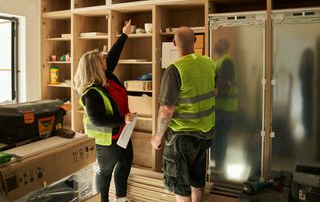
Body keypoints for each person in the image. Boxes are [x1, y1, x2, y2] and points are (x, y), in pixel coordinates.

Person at [151, 26, 216, 202]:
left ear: (173, 43)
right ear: (195, 41)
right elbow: (213, 91)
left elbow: (166, 110)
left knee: (181, 187)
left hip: (180, 139)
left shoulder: (175, 69)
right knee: (196, 183)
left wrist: (158, 136)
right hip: (203, 135)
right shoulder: (209, 63)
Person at [74, 20, 135, 202]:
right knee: (105, 173)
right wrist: (122, 119)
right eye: (102, 59)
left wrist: (124, 34)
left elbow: (113, 56)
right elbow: (97, 120)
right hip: (106, 141)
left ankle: (121, 199)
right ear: (95, 67)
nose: (105, 59)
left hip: (122, 133)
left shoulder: (106, 76)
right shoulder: (91, 93)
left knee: (125, 164)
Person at [211, 38, 238, 176]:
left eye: (219, 43)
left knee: (220, 138)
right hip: (220, 109)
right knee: (217, 138)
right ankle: (217, 166)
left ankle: (219, 168)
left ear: (226, 47)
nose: (216, 44)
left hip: (225, 109)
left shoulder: (226, 62)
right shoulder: (217, 61)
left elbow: (226, 85)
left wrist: (213, 91)